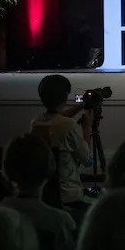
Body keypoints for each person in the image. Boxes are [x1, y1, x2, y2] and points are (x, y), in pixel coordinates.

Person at [29, 74, 93, 204]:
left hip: (46, 194)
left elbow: (54, 118)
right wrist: (87, 128)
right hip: (69, 195)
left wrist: (78, 107)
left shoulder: (35, 123)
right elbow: (88, 161)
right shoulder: (68, 125)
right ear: (65, 97)